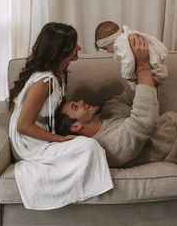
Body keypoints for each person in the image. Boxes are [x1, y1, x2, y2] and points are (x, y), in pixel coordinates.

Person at [55, 34, 177, 168]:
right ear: (75, 126)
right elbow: (144, 122)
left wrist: (133, 58)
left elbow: (134, 93)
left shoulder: (109, 110)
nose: (81, 101)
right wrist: (142, 65)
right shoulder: (109, 146)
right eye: (75, 107)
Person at [9, 22, 113, 210]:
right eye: (74, 45)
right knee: (89, 146)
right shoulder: (44, 82)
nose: (79, 47)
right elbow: (23, 126)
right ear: (61, 50)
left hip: (38, 136)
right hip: (27, 142)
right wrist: (60, 139)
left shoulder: (58, 75)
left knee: (89, 146)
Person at [94, 21, 168, 88]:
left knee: (141, 85)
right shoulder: (127, 35)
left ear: (110, 41)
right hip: (153, 63)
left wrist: (127, 75)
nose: (108, 52)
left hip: (152, 65)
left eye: (106, 49)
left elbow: (128, 60)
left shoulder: (120, 43)